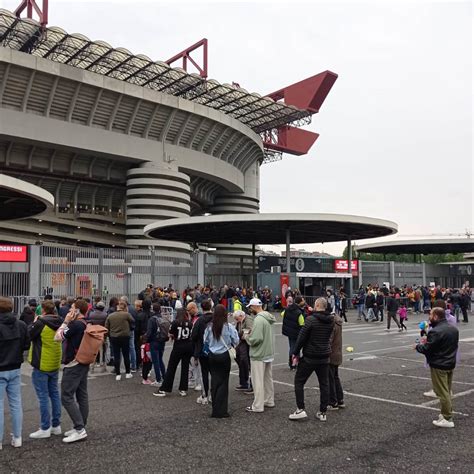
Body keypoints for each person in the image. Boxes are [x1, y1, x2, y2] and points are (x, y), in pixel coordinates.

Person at [289, 298, 334, 421]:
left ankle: (300, 409)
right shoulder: (331, 320)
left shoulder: (310, 320)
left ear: (318, 305)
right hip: (324, 356)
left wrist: (295, 353)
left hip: (310, 356)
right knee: (324, 384)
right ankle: (323, 412)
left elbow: (301, 338)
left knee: (299, 381)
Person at [414, 307, 459, 428]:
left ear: (436, 317)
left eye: (430, 315)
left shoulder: (436, 331)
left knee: (442, 392)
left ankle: (447, 417)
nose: (429, 317)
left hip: (439, 364)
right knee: (447, 390)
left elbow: (428, 348)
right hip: (450, 363)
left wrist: (418, 346)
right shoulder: (453, 329)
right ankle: (446, 414)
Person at [54, 299, 89, 443]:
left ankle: (80, 429)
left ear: (77, 311)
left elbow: (57, 337)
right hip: (83, 361)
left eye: (71, 309)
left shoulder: (74, 324)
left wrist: (66, 321)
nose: (69, 311)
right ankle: (80, 425)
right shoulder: (85, 323)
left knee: (66, 396)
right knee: (82, 394)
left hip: (73, 363)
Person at [28, 300, 63, 439]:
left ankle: (45, 427)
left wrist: (35, 321)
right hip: (54, 361)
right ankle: (56, 425)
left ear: (43, 310)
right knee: (54, 394)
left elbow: (29, 334)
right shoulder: (61, 321)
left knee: (43, 396)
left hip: (42, 362)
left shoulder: (41, 323)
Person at [0, 297, 30, 450]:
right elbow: (26, 344)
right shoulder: (21, 325)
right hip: (15, 367)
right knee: (16, 404)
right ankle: (17, 437)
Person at [203, 304, 239, 418]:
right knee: (224, 382)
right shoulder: (228, 327)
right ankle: (222, 410)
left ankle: (214, 409)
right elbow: (236, 340)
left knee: (214, 381)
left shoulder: (209, 327)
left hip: (212, 355)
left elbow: (206, 341)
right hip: (224, 355)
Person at [245, 298, 276, 413]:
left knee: (257, 380)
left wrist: (247, 337)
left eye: (250, 307)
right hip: (268, 352)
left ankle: (258, 405)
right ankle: (269, 400)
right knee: (268, 378)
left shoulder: (258, 320)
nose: (249, 309)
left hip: (259, 353)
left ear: (254, 307)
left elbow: (256, 339)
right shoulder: (269, 317)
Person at [154, 308, 193, 397]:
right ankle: (183, 389)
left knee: (172, 367)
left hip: (178, 346)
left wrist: (173, 336)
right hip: (188, 346)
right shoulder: (190, 323)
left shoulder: (175, 322)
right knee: (185, 367)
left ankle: (165, 388)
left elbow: (170, 334)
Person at [191, 299, 214, 405]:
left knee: (203, 373)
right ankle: (214, 395)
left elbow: (193, 336)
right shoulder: (216, 318)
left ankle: (204, 395)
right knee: (215, 373)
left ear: (202, 308)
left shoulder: (199, 320)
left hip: (202, 350)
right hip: (215, 349)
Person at [105, 301, 134, 381]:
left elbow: (106, 326)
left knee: (116, 355)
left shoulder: (110, 316)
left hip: (114, 337)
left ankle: (118, 374)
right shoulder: (126, 314)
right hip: (125, 336)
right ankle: (128, 372)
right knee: (126, 355)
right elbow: (132, 321)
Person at [146, 303, 168, 386]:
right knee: (160, 359)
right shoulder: (162, 318)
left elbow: (149, 332)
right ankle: (164, 376)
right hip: (162, 340)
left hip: (154, 341)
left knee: (155, 361)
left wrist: (146, 340)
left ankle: (158, 379)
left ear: (152, 309)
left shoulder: (152, 319)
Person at [281, 296, 305, 370]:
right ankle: (294, 363)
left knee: (291, 346)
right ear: (300, 302)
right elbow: (302, 323)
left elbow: (282, 314)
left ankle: (292, 363)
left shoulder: (288, 309)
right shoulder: (299, 312)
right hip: (296, 333)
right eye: (303, 300)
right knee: (296, 348)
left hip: (289, 332)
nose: (304, 302)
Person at [328, 311, 345, 410]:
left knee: (330, 378)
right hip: (337, 353)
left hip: (331, 354)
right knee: (335, 377)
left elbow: (329, 340)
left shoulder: (331, 324)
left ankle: (333, 402)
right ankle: (340, 400)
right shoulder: (338, 322)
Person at [233, 309, 253, 391]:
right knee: (240, 361)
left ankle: (251, 385)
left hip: (247, 344)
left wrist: (241, 334)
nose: (237, 321)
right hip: (241, 344)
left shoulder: (248, 320)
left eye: (237, 319)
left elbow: (249, 331)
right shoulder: (239, 322)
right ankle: (243, 383)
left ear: (241, 316)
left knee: (246, 363)